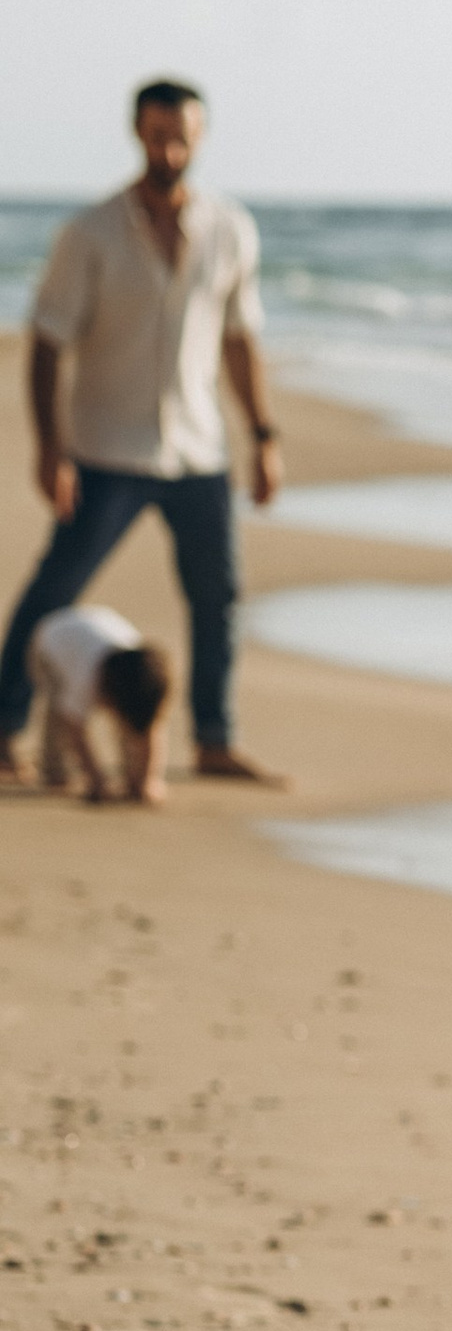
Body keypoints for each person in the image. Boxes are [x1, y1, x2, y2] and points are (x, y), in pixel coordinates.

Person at [0, 78, 286, 788]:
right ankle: (5, 732)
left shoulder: (230, 229)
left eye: (183, 134)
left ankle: (215, 739)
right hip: (106, 450)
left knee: (218, 595)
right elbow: (46, 341)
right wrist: (50, 446)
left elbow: (239, 338)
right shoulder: (90, 232)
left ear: (202, 134)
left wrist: (264, 433)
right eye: (159, 134)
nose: (171, 148)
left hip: (198, 449)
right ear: (137, 133)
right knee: (52, 594)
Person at [28, 603, 171, 804]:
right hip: (50, 642)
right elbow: (75, 730)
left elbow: (151, 726)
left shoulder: (143, 678)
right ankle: (53, 768)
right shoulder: (84, 677)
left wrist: (148, 781)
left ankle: (133, 777)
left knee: (135, 720)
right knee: (60, 710)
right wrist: (96, 779)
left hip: (93, 627)